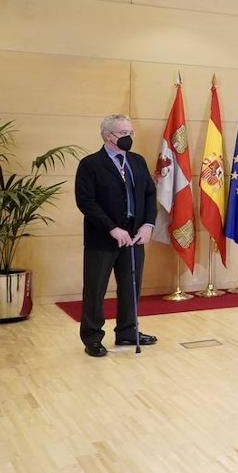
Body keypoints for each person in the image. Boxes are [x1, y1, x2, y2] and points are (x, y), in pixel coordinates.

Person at [74, 114, 158, 357]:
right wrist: (111, 227)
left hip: (134, 236)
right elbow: (86, 201)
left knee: (131, 286)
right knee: (95, 289)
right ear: (107, 136)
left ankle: (127, 331)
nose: (128, 137)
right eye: (123, 133)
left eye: (131, 133)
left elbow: (150, 194)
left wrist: (148, 225)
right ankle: (92, 337)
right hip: (103, 238)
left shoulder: (137, 161)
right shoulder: (90, 164)